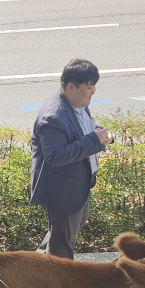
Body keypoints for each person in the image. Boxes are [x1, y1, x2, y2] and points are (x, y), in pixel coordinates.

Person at [29, 59, 111, 259]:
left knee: (62, 234)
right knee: (62, 245)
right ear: (71, 87)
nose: (93, 92)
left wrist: (101, 135)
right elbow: (55, 156)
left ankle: (37, 264)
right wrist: (94, 140)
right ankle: (57, 283)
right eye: (89, 87)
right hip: (62, 190)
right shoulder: (53, 117)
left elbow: (81, 129)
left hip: (78, 183)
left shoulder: (76, 102)